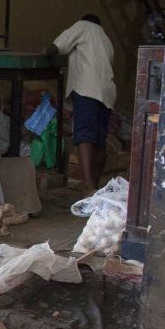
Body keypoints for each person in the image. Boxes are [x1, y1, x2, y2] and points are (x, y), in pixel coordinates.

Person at [45, 14, 116, 195]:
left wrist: (44, 51)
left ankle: (88, 185)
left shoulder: (83, 26)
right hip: (107, 93)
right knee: (99, 142)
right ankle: (94, 185)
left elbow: (56, 46)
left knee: (84, 137)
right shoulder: (105, 39)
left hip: (87, 89)